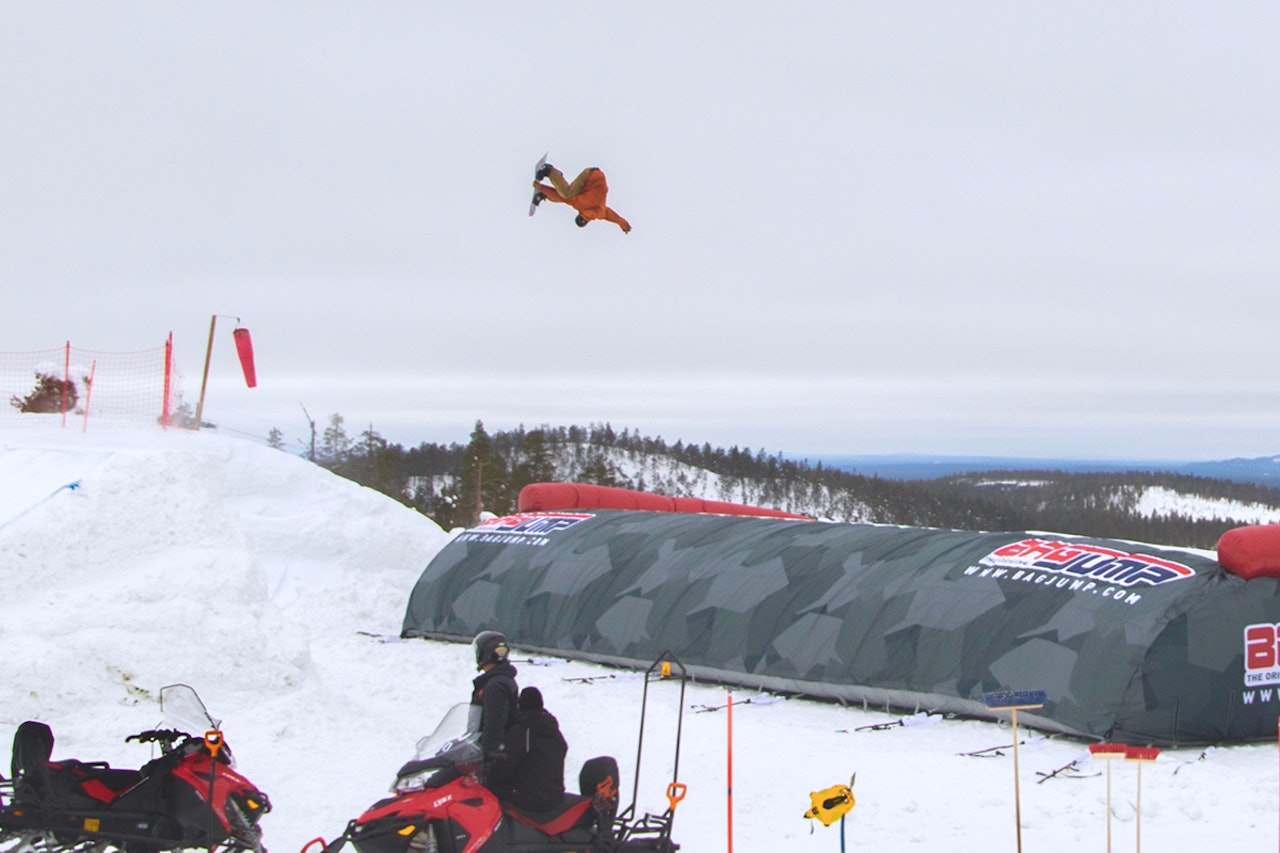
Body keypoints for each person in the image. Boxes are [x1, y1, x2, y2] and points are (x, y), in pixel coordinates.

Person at [491, 686, 568, 811]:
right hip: (555, 795)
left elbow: (504, 764)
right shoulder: (553, 729)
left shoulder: (522, 731)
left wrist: (490, 774)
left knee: (490, 789)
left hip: (530, 798)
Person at [469, 630, 519, 786]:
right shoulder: (498, 681)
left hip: (490, 755)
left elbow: (494, 723)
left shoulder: (496, 685)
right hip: (479, 746)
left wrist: (487, 755)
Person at [531, 163, 632, 233]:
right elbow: (563, 198)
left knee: (566, 195)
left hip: (595, 178)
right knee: (566, 194)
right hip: (591, 176)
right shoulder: (580, 205)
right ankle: (549, 171)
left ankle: (546, 191)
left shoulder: (599, 213)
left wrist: (624, 224)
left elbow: (613, 217)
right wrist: (540, 187)